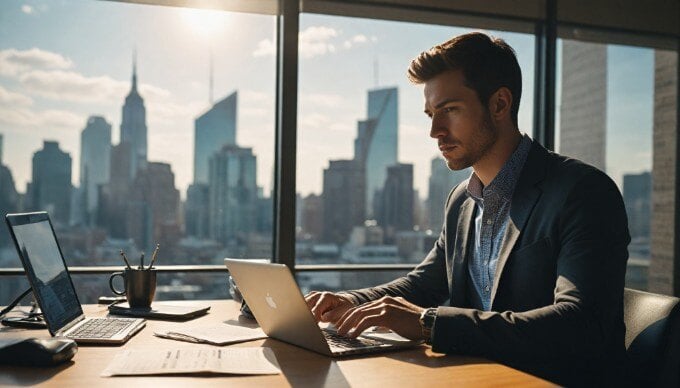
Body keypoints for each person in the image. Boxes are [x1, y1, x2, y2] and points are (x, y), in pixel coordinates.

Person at [305, 32, 630, 386]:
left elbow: (581, 324)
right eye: (431, 114)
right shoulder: (461, 200)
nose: (434, 131)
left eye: (449, 110)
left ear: (500, 105)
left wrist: (430, 323)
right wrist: (346, 301)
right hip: (474, 378)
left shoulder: (582, 192)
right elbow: (422, 285)